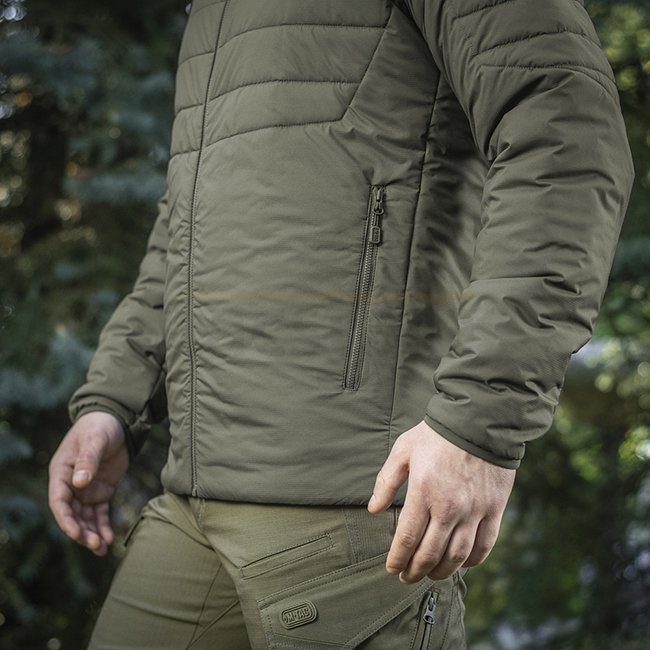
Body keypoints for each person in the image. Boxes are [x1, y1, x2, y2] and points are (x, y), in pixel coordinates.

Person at [48, 0, 634, 647]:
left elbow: (567, 135)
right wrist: (114, 401)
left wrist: (480, 422)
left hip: (361, 512)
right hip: (190, 504)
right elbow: (182, 229)